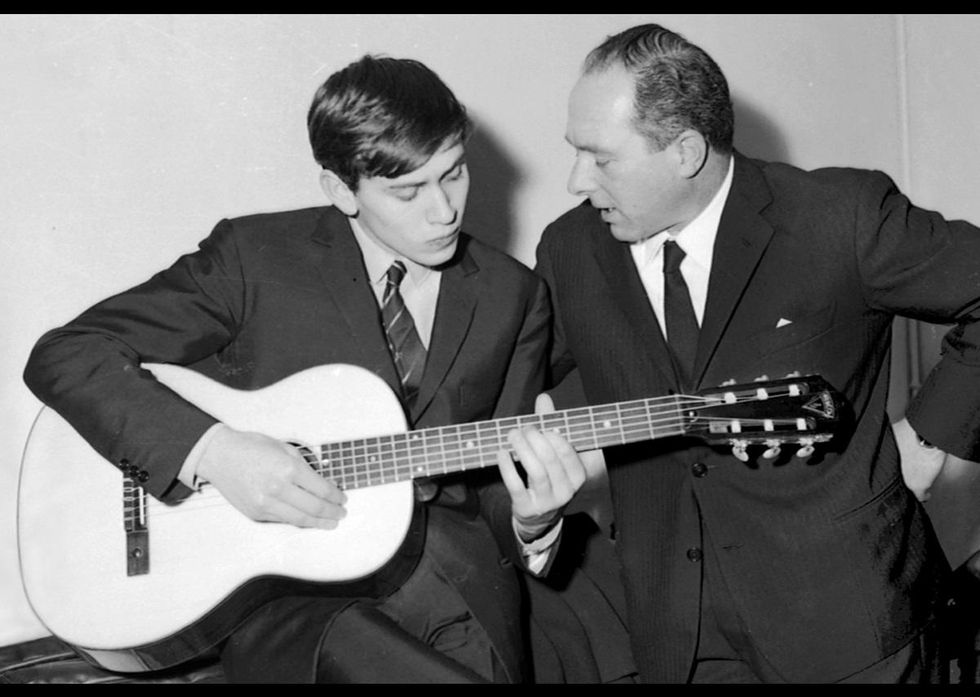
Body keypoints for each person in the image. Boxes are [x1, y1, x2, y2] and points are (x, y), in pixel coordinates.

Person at [23, 54, 597, 684]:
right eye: (408, 191)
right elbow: (67, 353)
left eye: (453, 174)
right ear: (340, 189)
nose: (444, 211)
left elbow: (493, 482)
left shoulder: (513, 294)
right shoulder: (255, 258)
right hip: (294, 598)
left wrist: (534, 521)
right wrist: (215, 452)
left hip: (455, 589)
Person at [535, 22, 980, 684]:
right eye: (576, 152)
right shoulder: (569, 250)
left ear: (686, 152)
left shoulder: (839, 218)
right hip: (678, 642)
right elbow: (510, 383)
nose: (577, 180)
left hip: (845, 629)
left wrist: (925, 439)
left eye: (601, 158)